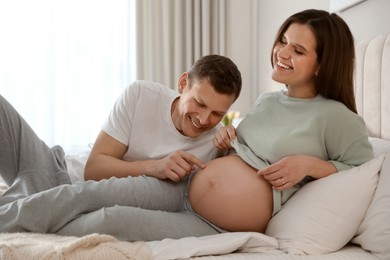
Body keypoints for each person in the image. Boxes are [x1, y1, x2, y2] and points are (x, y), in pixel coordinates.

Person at [0, 9, 373, 241]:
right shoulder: (267, 100)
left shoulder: (337, 118)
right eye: (284, 41)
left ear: (323, 64)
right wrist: (229, 139)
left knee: (105, 221)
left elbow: (361, 164)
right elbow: (243, 152)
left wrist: (311, 166)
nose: (282, 51)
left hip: (212, 223)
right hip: (182, 184)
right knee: (85, 196)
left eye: (298, 49)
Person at [0, 54, 242, 206]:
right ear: (182, 84)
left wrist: (228, 139)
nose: (203, 119)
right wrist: (154, 167)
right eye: (199, 103)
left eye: (217, 113)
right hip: (57, 167)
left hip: (72, 198)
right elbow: (94, 168)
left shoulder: (216, 144)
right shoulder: (141, 95)